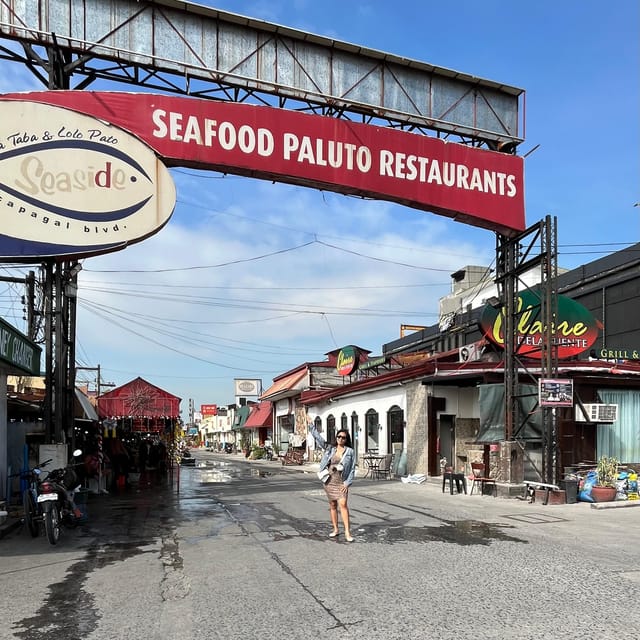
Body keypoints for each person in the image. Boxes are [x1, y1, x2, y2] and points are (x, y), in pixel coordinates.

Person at [308, 416, 356, 542]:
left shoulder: (350, 452)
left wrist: (347, 483)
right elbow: (319, 439)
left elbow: (352, 469)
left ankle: (347, 532)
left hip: (341, 481)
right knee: (333, 504)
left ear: (346, 439)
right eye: (339, 436)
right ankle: (335, 529)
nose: (340, 439)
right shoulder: (330, 448)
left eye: (343, 437)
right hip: (329, 481)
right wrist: (311, 426)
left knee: (343, 504)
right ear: (336, 438)